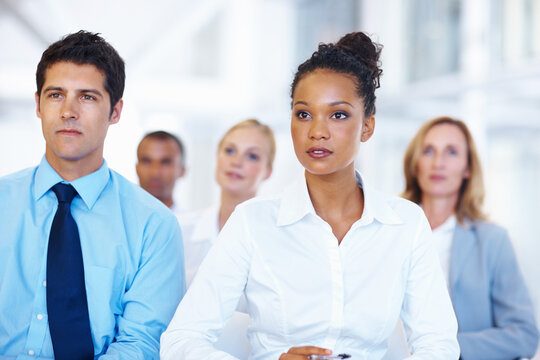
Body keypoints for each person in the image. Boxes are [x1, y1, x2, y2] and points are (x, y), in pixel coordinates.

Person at [161, 32, 459, 359]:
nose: (317, 131)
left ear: (367, 126)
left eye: (338, 114)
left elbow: (438, 343)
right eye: (304, 114)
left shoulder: (405, 224)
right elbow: (180, 340)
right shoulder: (252, 222)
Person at [0, 31, 185, 359]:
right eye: (56, 95)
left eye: (87, 97)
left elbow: (140, 344)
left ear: (115, 111)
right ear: (38, 105)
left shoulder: (154, 226)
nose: (68, 111)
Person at [402, 116, 539, 360]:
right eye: (429, 151)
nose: (438, 163)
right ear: (415, 164)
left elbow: (524, 335)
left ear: (467, 168)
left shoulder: (492, 241)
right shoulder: (391, 231)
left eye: (451, 152)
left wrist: (444, 347)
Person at [180, 118, 275, 288]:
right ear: (218, 157)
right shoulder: (180, 231)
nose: (236, 162)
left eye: (252, 156)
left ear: (268, 171)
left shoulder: (278, 241)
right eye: (230, 151)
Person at [136, 130, 187, 214]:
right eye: (146, 161)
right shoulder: (115, 220)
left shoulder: (193, 225)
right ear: (137, 168)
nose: (155, 173)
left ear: (182, 170)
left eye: (165, 162)